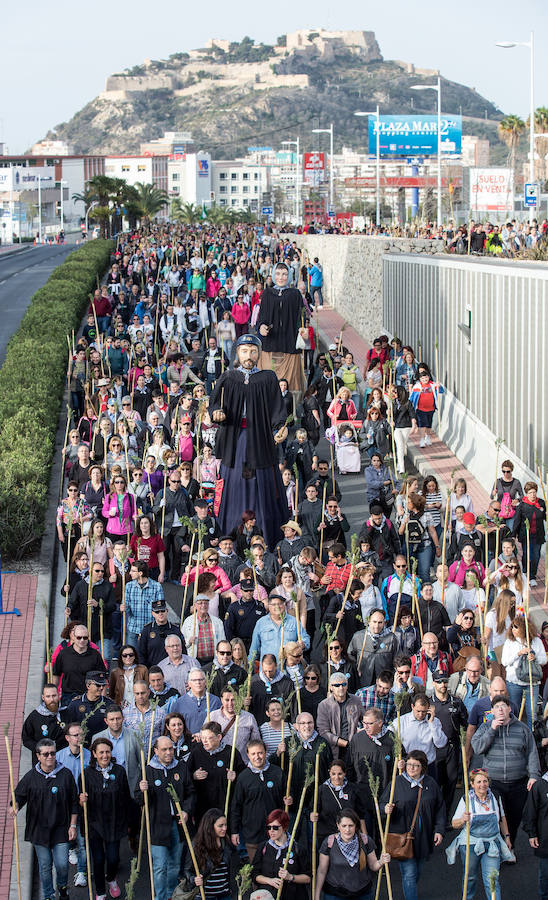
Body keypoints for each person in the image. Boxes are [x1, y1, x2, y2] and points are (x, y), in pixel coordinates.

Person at [209, 333, 289, 549]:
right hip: (235, 442)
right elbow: (213, 403)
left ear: (259, 353)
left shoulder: (268, 378)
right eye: (245, 351)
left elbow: (278, 411)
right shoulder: (228, 378)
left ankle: (269, 539)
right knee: (233, 485)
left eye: (253, 351)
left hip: (261, 440)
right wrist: (216, 412)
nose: (249, 355)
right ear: (237, 353)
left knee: (263, 485)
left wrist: (279, 428)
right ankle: (229, 542)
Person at [13, 738, 79, 900]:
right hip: (39, 831)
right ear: (38, 756)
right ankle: (49, 895)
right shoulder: (31, 777)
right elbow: (19, 796)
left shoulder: (66, 774)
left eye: (53, 753)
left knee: (63, 865)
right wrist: (14, 806)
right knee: (44, 866)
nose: (50, 757)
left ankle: (63, 887)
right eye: (46, 754)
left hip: (61, 829)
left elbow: (74, 802)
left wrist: (72, 825)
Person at [471, 696, 540, 847]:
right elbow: (477, 748)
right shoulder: (485, 727)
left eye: (503, 706)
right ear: (492, 711)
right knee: (497, 817)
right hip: (494, 783)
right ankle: (499, 848)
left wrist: (534, 776)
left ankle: (510, 846)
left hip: (518, 782)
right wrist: (492, 729)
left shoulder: (522, 728)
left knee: (514, 818)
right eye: (497, 707)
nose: (500, 709)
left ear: (510, 709)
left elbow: (532, 753)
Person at [380, 749, 445, 900]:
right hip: (403, 837)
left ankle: (410, 891)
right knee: (409, 874)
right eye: (409, 764)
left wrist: (439, 830)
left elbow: (440, 808)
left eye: (415, 765)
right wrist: (385, 808)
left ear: (423, 767)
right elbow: (382, 803)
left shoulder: (431, 784)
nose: (411, 768)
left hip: (424, 838)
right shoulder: (396, 783)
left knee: (417, 872)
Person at [138, 736, 195, 900]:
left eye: (171, 748)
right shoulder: (148, 770)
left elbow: (191, 792)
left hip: (178, 824)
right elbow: (140, 800)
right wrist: (143, 791)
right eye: (164, 749)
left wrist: (186, 811)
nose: (169, 752)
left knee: (174, 865)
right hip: (157, 825)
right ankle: (160, 897)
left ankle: (171, 895)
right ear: (156, 751)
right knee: (160, 866)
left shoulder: (181, 767)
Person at [446, 768, 514, 900]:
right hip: (470, 844)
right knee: (470, 877)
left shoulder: (495, 796)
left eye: (485, 781)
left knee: (492, 878)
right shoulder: (466, 799)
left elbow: (502, 819)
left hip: (492, 844)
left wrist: (507, 837)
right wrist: (462, 820)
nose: (482, 784)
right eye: (478, 782)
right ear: (472, 784)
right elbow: (454, 824)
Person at [78, 738, 130, 900]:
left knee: (113, 858)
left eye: (107, 751)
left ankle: (111, 878)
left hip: (114, 822)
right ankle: (100, 891)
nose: (105, 755)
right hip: (94, 823)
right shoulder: (86, 773)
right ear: (94, 754)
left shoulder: (119, 771)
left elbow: (125, 797)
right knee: (98, 859)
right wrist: (82, 800)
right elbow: (80, 800)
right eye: (101, 752)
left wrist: (128, 822)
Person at [315, 807, 390, 900]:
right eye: (344, 826)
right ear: (338, 826)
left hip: (362, 893)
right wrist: (316, 895)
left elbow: (373, 866)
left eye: (351, 825)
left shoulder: (365, 841)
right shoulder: (329, 842)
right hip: (336, 894)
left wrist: (381, 861)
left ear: (356, 826)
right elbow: (322, 871)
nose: (347, 830)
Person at [230, 740, 285, 862]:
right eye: (253, 754)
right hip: (252, 833)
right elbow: (236, 806)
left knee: (274, 867)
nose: (257, 757)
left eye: (260, 753)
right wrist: (234, 831)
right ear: (248, 755)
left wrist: (289, 799)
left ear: (265, 753)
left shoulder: (277, 772)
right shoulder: (243, 777)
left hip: (275, 832)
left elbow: (286, 797)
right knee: (256, 869)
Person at [256, 261, 304, 392]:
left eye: (284, 274)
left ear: (289, 275)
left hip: (289, 344)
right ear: (273, 275)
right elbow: (261, 317)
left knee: (290, 383)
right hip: (270, 344)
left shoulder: (295, 294)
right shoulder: (267, 293)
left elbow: (302, 315)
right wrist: (262, 327)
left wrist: (302, 328)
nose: (281, 277)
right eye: (278, 274)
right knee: (267, 381)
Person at [187, 721, 245, 823]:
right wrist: (193, 776)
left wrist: (236, 776)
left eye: (209, 738)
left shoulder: (231, 753)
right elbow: (186, 776)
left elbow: (244, 777)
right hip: (203, 809)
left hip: (225, 807)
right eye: (203, 737)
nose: (205, 741)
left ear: (219, 737)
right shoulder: (196, 752)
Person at [251, 808, 311, 897]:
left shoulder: (298, 848)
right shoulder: (263, 847)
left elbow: (308, 878)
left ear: (284, 827)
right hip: (268, 896)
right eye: (269, 827)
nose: (271, 831)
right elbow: (254, 874)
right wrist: (269, 881)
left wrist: (291, 877)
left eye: (275, 827)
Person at [501, 614, 547, 730]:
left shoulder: (536, 641)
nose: (513, 629)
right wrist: (518, 654)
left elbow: (544, 660)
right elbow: (505, 661)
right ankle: (515, 734)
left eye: (516, 627)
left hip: (532, 683)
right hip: (514, 683)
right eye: (512, 627)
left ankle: (533, 736)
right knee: (514, 712)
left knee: (532, 713)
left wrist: (534, 657)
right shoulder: (510, 642)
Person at [186, 808, 242, 900]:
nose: (224, 828)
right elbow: (187, 870)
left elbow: (234, 871)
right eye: (220, 826)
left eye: (225, 825)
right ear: (210, 826)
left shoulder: (227, 844)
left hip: (224, 895)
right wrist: (194, 879)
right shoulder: (196, 845)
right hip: (204, 896)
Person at [394, 693, 448, 777]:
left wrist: (432, 724)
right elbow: (390, 738)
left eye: (424, 711)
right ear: (412, 706)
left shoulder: (435, 721)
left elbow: (441, 744)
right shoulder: (401, 721)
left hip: (427, 767)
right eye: (418, 711)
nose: (420, 714)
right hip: (407, 766)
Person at [317, 673, 365, 761]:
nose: (341, 688)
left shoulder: (356, 701)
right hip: (333, 750)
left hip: (354, 748)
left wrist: (362, 732)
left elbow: (365, 720)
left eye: (343, 684)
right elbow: (323, 732)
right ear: (331, 687)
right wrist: (345, 743)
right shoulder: (324, 705)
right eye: (337, 685)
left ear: (347, 686)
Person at [512, 481, 546, 585]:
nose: (533, 495)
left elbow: (544, 517)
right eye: (530, 492)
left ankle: (532, 576)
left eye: (534, 492)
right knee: (527, 555)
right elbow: (517, 520)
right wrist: (513, 534)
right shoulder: (522, 505)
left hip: (538, 534)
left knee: (536, 555)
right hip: (526, 534)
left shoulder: (541, 503)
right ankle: (525, 570)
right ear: (527, 493)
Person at [172, 668, 221, 736]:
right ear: (189, 683)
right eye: (194, 680)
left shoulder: (215, 701)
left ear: (206, 682)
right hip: (188, 742)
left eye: (201, 679)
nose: (198, 682)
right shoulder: (179, 703)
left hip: (209, 741)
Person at [522, 772, 548, 900]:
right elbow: (530, 811)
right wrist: (532, 834)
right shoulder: (540, 785)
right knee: (546, 875)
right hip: (545, 840)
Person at [22, 683, 66, 753]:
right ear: (43, 698)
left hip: (63, 758)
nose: (52, 699)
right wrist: (40, 749)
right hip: (42, 759)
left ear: (59, 695)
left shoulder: (66, 713)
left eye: (54, 696)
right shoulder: (34, 716)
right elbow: (26, 739)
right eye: (48, 696)